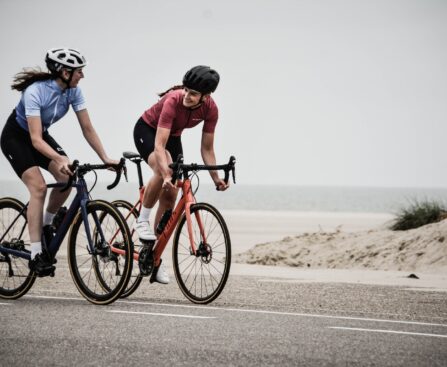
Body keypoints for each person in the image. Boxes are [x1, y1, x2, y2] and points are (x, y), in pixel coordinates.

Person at [0, 48, 118, 276]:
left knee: (67, 177)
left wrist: (104, 158)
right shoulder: (35, 92)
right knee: (39, 187)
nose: (82, 75)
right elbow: (34, 140)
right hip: (17, 138)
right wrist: (58, 157)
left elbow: (87, 128)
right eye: (78, 71)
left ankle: (46, 224)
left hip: (39, 136)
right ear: (64, 72)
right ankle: (36, 254)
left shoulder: (74, 92)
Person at [133, 65, 229, 284]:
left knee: (171, 194)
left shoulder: (211, 109)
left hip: (173, 136)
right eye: (186, 89)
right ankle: (142, 220)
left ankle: (154, 257)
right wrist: (165, 172)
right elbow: (159, 146)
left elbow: (207, 149)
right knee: (162, 167)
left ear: (206, 97)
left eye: (193, 93)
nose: (187, 96)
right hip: (148, 130)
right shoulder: (173, 100)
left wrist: (216, 178)